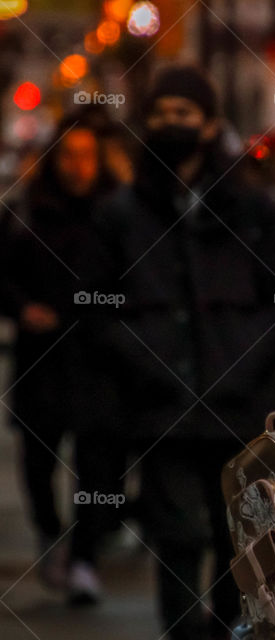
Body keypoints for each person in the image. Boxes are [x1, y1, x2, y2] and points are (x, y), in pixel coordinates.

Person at [85, 65, 275, 640]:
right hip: (163, 409)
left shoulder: (254, 210)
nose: (171, 124)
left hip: (238, 405)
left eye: (184, 114)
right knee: (177, 537)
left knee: (243, 538)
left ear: (210, 125)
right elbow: (98, 309)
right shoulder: (121, 214)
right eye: (161, 114)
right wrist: (148, 362)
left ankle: (229, 628)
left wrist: (245, 362)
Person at [0, 111, 124, 605]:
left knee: (98, 460)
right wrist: (21, 308)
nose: (78, 167)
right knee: (38, 458)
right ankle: (53, 536)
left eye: (87, 156)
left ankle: (84, 557)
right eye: (69, 156)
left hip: (97, 358)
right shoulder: (26, 212)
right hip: (41, 358)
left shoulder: (118, 213)